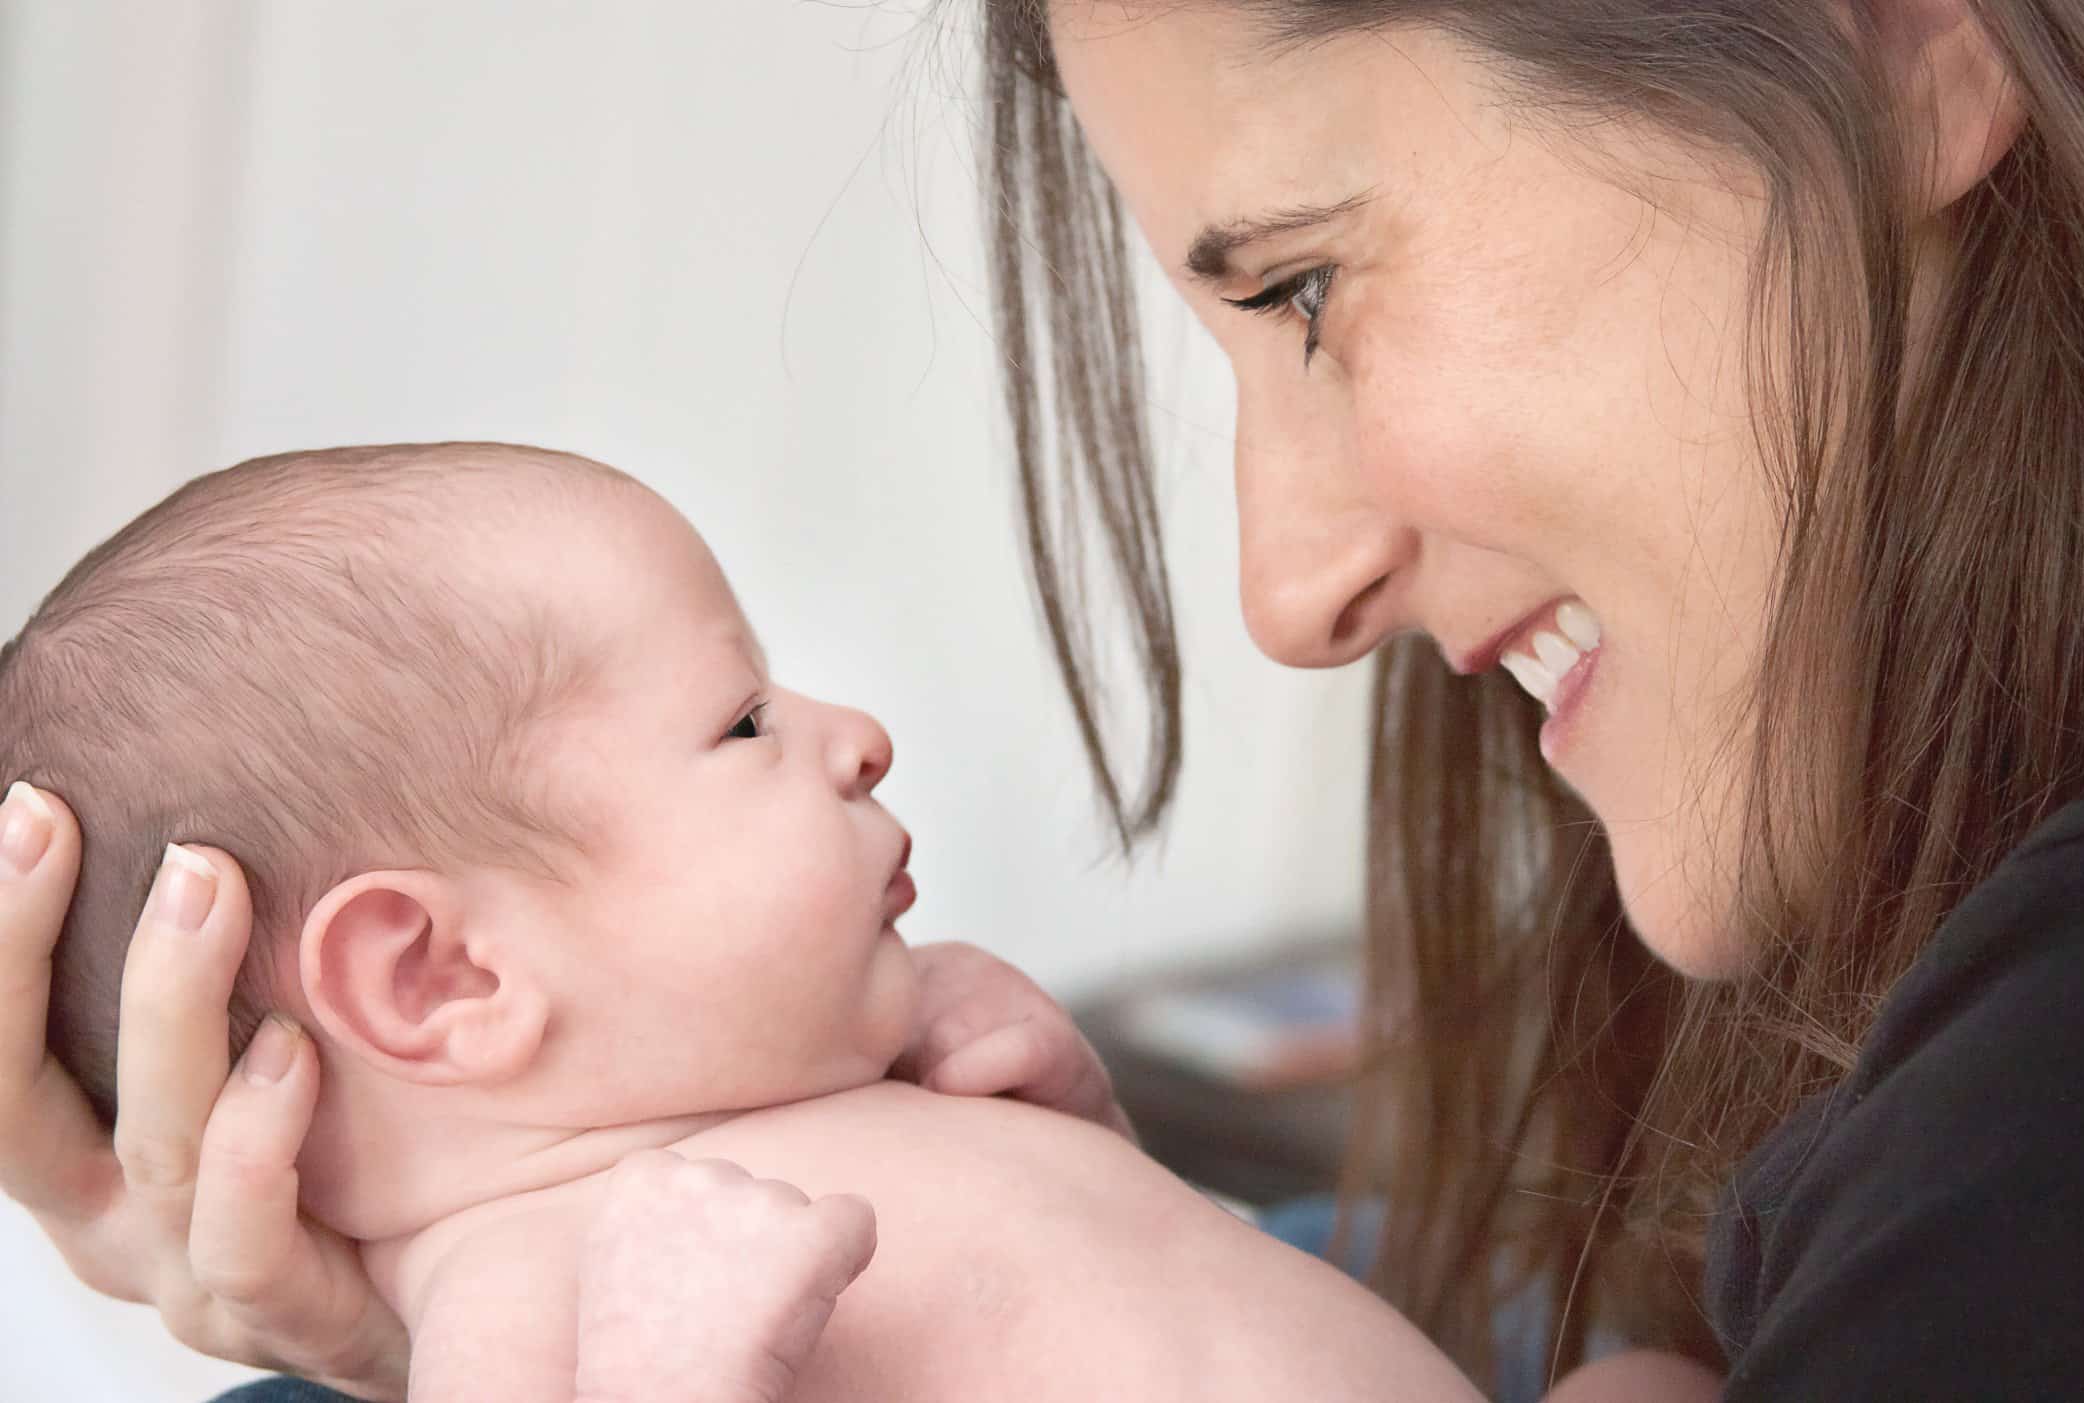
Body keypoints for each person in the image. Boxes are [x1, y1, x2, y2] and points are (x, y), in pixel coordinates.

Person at [2, 0, 2084, 1398]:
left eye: (1301, 282)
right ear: (437, 977)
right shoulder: (585, 1295)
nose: (1289, 597)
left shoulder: (2038, 1086)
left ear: (1893, 41)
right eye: (734, 730)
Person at [0, 441, 1488, 1403]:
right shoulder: (532, 1293)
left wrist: (1086, 1143)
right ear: (445, 973)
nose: (856, 736)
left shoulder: (828, 1106)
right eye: (743, 721)